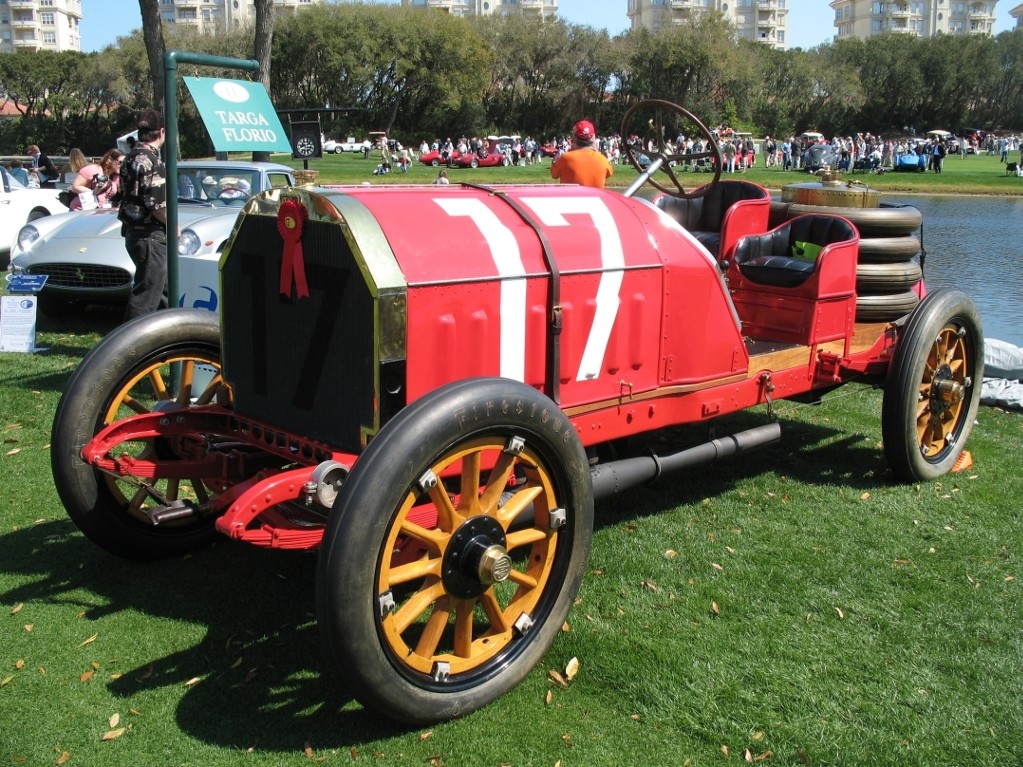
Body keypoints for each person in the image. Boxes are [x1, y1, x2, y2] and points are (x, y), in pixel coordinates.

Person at [117, 108, 169, 321]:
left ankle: (166, 339)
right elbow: (156, 205)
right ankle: (132, 346)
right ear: (162, 132)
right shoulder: (151, 161)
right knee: (147, 294)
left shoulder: (130, 157)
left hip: (134, 233)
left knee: (162, 290)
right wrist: (173, 226)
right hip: (150, 234)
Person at [550, 120, 614, 189]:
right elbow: (609, 173)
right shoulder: (602, 160)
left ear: (574, 138)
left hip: (570, 199)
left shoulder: (564, 158)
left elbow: (554, 175)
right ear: (593, 137)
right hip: (595, 199)